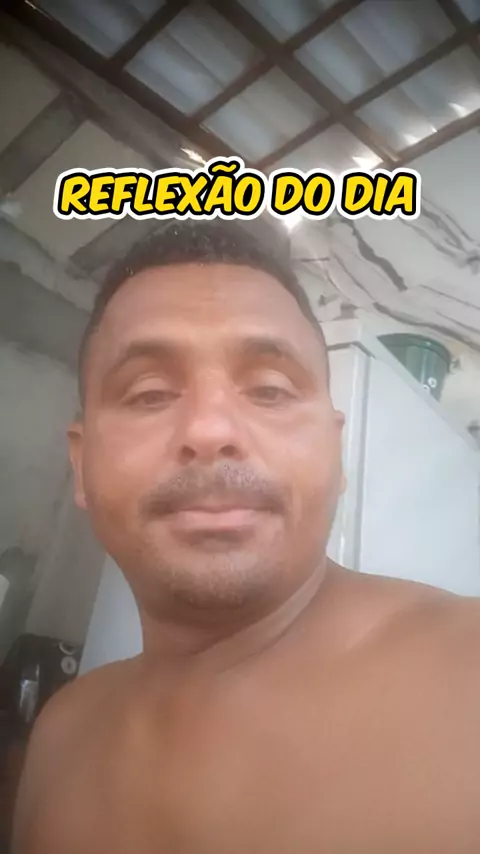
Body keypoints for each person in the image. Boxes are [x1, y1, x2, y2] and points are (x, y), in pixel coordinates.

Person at [13, 218, 480, 854]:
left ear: (335, 451)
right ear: (82, 463)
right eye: (149, 393)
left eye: (269, 389)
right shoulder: (61, 733)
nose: (209, 429)